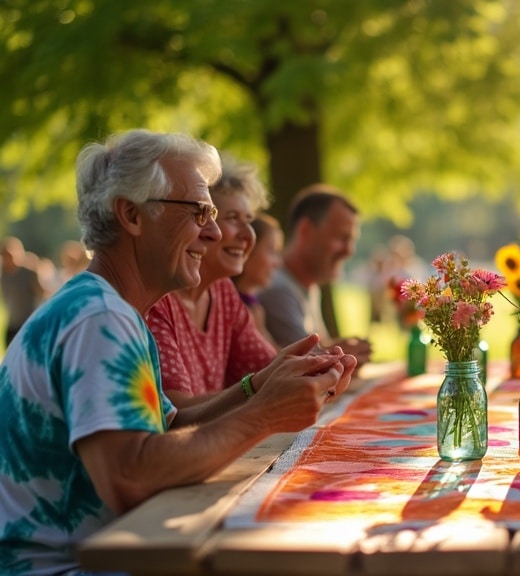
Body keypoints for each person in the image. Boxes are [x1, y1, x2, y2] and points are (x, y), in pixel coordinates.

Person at [0, 130, 357, 574]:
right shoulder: (100, 319)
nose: (211, 232)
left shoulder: (112, 309)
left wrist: (259, 387)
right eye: (199, 212)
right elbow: (130, 475)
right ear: (131, 214)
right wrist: (265, 414)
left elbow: (171, 427)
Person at [146, 155, 278, 407]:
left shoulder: (223, 291)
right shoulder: (158, 298)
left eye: (249, 220)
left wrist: (315, 365)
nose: (247, 235)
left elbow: (267, 369)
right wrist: (266, 386)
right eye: (231, 218)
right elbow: (176, 410)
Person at [258, 184, 372, 366]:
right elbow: (307, 369)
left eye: (351, 241)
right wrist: (338, 357)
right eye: (341, 238)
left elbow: (318, 354)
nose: (349, 251)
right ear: (305, 230)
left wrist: (338, 351)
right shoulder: (278, 289)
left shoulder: (308, 286)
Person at [232, 211, 284, 347]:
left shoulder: (256, 308)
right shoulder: (233, 308)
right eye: (272, 251)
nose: (277, 263)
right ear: (248, 249)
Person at [1, 236, 45, 346]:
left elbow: (41, 293)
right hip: (12, 323)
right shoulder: (3, 276)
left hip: (28, 321)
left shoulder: (28, 273)